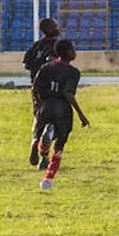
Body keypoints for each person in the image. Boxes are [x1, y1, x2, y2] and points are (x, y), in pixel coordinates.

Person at [31, 38, 90, 189]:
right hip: (62, 109)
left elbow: (34, 88)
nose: (75, 52)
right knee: (59, 146)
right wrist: (81, 114)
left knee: (42, 134)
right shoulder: (73, 72)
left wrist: (40, 104)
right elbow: (68, 93)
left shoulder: (46, 67)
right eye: (73, 49)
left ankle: (38, 142)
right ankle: (47, 180)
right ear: (68, 53)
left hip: (46, 106)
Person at [23, 18, 61, 164]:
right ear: (49, 29)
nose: (57, 28)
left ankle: (35, 141)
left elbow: (26, 64)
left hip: (36, 88)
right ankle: (44, 155)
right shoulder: (57, 45)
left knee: (38, 116)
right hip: (53, 87)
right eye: (55, 26)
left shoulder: (36, 46)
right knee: (54, 120)